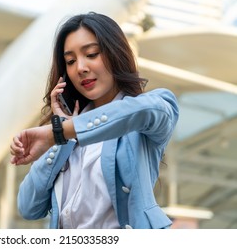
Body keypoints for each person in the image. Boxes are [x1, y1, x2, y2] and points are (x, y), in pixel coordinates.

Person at [10, 12, 179, 229]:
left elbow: (145, 110)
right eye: (70, 61)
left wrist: (61, 132)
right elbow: (28, 207)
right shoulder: (67, 133)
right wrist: (60, 138)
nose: (80, 67)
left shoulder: (147, 112)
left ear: (115, 53)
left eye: (91, 54)